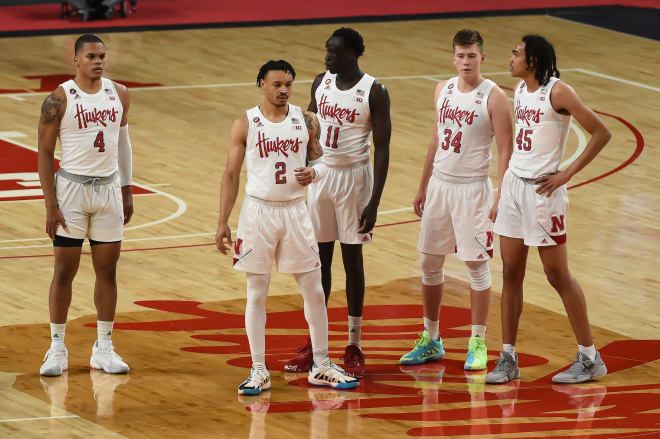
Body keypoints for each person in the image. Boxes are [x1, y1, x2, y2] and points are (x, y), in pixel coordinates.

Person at [215, 60, 359, 395]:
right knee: (256, 293)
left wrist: (316, 173)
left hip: (296, 211)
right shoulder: (246, 122)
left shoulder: (306, 120)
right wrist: (223, 221)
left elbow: (321, 159)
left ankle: (321, 366)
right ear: (261, 83)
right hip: (258, 212)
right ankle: (258, 369)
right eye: (277, 84)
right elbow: (231, 175)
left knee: (314, 289)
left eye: (288, 84)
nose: (283, 90)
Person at [486, 35, 611, 384]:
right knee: (511, 273)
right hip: (514, 187)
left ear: (534, 61)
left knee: (557, 275)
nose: (510, 58)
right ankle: (508, 357)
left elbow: (602, 133)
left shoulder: (558, 92)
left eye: (516, 53)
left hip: (543, 194)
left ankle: (589, 357)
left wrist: (567, 173)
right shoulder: (522, 91)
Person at [398, 30, 513, 371]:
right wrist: (422, 186)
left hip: (473, 191)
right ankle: (431, 339)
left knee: (476, 267)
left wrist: (502, 194)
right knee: (428, 263)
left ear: (482, 58)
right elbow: (435, 140)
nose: (466, 62)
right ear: (453, 57)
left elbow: (506, 149)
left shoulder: (494, 97)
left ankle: (477, 342)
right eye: (461, 56)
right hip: (439, 186)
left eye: (472, 56)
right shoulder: (443, 89)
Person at [285, 27, 391, 379]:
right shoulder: (320, 82)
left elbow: (383, 147)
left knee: (352, 259)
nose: (326, 56)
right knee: (319, 262)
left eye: (333, 52)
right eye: (326, 50)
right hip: (321, 175)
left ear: (352, 54)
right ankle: (317, 345)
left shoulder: (374, 91)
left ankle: (354, 343)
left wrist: (374, 202)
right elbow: (309, 127)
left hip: (354, 179)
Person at [37, 34, 133, 377]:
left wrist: (126, 188)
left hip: (107, 191)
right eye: (91, 56)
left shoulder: (119, 93)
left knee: (107, 271)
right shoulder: (58, 99)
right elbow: (45, 154)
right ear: (76, 59)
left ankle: (103, 347)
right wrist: (51, 205)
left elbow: (123, 142)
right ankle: (57, 347)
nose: (98, 61)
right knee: (64, 271)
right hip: (71, 191)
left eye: (102, 56)